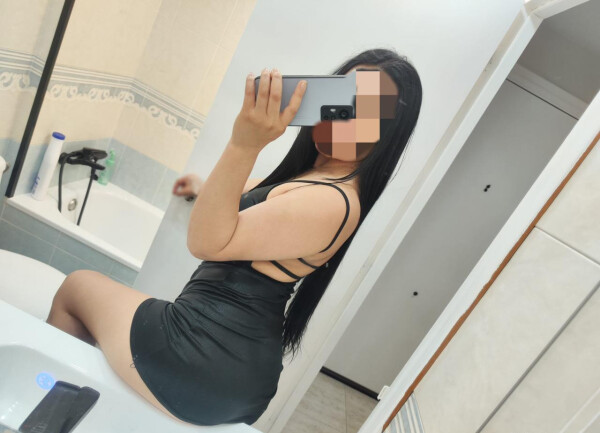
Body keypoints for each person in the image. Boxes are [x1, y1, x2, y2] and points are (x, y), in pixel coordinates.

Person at [45, 48, 422, 426]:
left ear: (386, 132)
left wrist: (245, 143)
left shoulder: (332, 201)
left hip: (206, 361)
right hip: (225, 363)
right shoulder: (318, 179)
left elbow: (205, 243)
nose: (342, 114)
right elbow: (242, 196)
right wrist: (203, 184)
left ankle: (45, 418)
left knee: (77, 286)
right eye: (342, 96)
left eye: (365, 110)